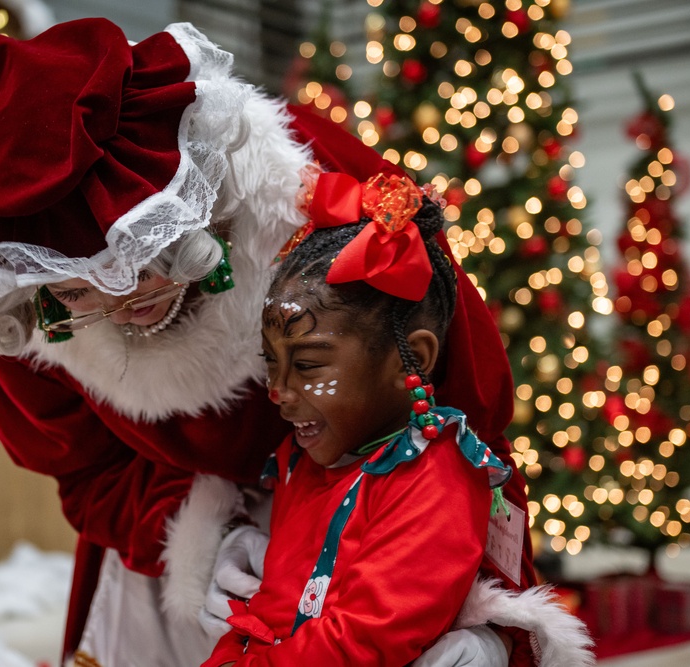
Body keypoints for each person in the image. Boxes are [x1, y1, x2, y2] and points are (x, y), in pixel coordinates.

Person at [0, 17, 547, 667]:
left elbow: (462, 404)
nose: (125, 309)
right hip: (177, 556)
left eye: (140, 263)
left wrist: (477, 602)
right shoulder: (6, 294)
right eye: (78, 293)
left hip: (390, 509)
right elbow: (85, 470)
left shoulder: (303, 190)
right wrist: (198, 545)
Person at [201, 170, 594, 666]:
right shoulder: (302, 460)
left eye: (306, 365)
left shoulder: (437, 478)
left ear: (414, 357)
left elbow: (361, 640)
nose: (278, 391)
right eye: (271, 363)